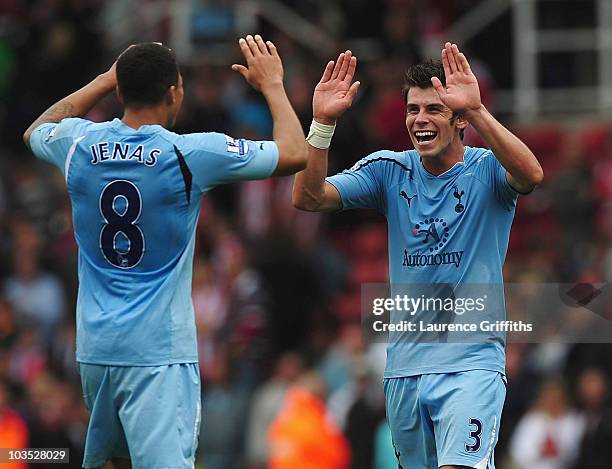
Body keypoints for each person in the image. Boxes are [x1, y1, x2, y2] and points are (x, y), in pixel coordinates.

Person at [23, 35, 307, 469]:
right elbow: (294, 153)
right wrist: (271, 85)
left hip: (95, 350)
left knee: (114, 462)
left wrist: (102, 79)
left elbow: (35, 130)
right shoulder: (190, 152)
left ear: (119, 90)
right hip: (157, 356)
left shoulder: (78, 143)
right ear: (174, 92)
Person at [292, 42, 543, 469]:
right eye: (413, 110)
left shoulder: (486, 169)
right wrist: (321, 124)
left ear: (459, 118)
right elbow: (308, 197)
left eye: (434, 109)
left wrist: (478, 110)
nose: (420, 120)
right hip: (404, 370)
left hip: (471, 365)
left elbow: (532, 174)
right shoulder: (390, 170)